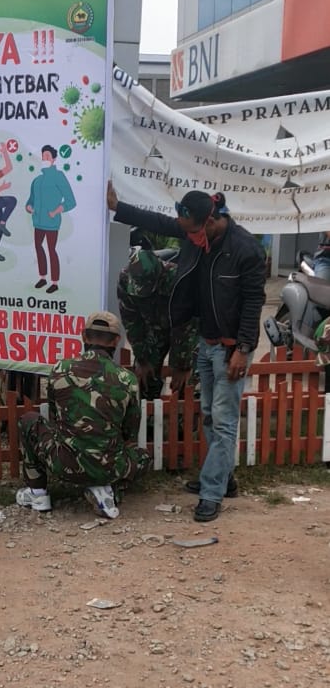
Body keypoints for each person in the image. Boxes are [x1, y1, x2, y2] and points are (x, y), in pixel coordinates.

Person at [108, 183, 266, 522]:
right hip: (205, 344)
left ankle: (212, 493)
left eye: (192, 231)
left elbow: (255, 302)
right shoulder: (196, 237)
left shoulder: (246, 250)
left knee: (223, 423)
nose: (187, 238)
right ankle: (225, 479)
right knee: (210, 413)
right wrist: (118, 207)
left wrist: (244, 348)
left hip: (229, 349)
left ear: (210, 222)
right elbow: (162, 223)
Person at [15, 310, 149, 519]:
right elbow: (130, 432)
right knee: (142, 456)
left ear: (84, 336)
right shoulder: (127, 379)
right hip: (109, 467)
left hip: (65, 465)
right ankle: (107, 490)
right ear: (116, 341)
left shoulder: (61, 369)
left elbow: (54, 417)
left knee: (28, 420)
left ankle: (38, 495)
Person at [117, 245, 198, 398]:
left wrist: (182, 365)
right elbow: (131, 320)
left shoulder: (178, 279)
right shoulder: (125, 279)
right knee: (145, 378)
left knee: (188, 383)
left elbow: (187, 325)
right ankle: (147, 417)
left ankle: (182, 417)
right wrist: (141, 357)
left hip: (186, 331)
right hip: (154, 328)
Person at [25, 145, 76, 294]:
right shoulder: (37, 180)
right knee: (38, 248)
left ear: (53, 159)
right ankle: (42, 277)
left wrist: (56, 211)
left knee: (51, 250)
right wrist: (29, 207)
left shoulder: (58, 176)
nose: (44, 158)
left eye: (47, 156)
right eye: (43, 156)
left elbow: (70, 200)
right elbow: (30, 201)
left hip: (52, 222)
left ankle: (54, 282)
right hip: (38, 221)